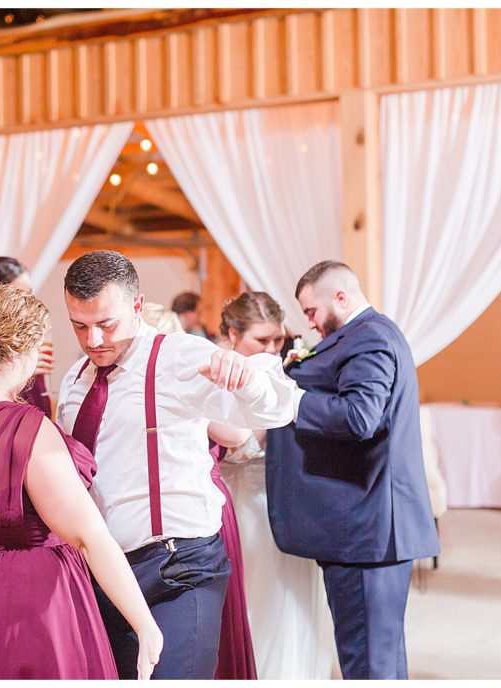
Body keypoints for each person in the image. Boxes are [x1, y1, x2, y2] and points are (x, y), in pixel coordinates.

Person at [57, 250, 296, 680]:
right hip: (106, 575)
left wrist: (248, 378)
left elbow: (277, 408)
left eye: (105, 324)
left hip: (180, 567)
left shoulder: (180, 357)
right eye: (80, 326)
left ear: (136, 305)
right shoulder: (75, 380)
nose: (93, 339)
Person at [0, 284, 162, 680]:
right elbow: (89, 536)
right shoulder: (23, 426)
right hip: (24, 605)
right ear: (16, 352)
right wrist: (145, 624)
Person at [266, 261, 440, 680]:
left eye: (311, 312)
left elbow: (360, 417)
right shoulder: (363, 336)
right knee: (376, 655)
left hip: (366, 531)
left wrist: (294, 399)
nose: (308, 323)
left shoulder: (370, 339)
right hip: (363, 529)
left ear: (340, 297)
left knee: (367, 660)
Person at [209, 291, 337, 680]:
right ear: (232, 334)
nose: (273, 348)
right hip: (242, 501)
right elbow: (238, 441)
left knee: (292, 598)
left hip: (287, 499)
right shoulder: (214, 375)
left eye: (278, 340)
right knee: (253, 598)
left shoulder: (286, 371)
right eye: (261, 341)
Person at [143, 301, 257, 680]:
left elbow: (238, 434)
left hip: (200, 512)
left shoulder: (186, 382)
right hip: (158, 520)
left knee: (205, 626)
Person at [0, 255, 55, 416]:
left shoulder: (29, 332)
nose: (28, 301)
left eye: (29, 293)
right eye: (18, 293)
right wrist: (22, 370)